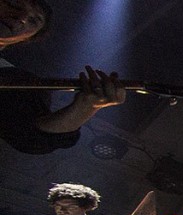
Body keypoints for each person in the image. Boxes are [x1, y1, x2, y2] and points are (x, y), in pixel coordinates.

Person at [0, 0, 125, 154]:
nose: (22, 18)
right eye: (14, 6)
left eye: (33, 21)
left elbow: (31, 136)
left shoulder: (16, 80)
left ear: (26, 39)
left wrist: (86, 107)